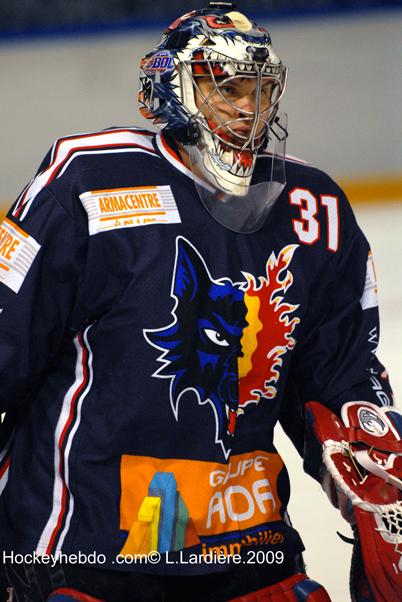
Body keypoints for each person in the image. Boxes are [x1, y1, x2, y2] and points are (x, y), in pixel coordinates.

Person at [0, 3, 401, 601]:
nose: (247, 109)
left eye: (260, 91)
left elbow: (339, 374)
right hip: (86, 555)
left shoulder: (314, 209)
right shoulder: (87, 184)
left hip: (245, 546)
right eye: (226, 88)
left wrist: (375, 467)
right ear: (171, 92)